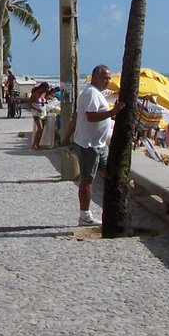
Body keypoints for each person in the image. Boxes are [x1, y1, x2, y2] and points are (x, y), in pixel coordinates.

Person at [62, 65, 123, 226]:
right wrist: (113, 112)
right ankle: (85, 215)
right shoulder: (91, 93)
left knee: (110, 173)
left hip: (99, 144)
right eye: (104, 78)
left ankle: (110, 210)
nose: (107, 81)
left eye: (109, 78)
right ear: (94, 77)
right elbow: (91, 117)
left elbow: (76, 117)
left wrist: (66, 137)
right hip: (89, 145)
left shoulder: (97, 94)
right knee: (87, 180)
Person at [29, 82, 51, 150]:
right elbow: (29, 103)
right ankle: (34, 144)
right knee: (40, 128)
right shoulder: (35, 94)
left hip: (43, 112)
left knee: (42, 129)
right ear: (42, 88)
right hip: (36, 113)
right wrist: (36, 109)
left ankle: (37, 144)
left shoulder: (44, 93)